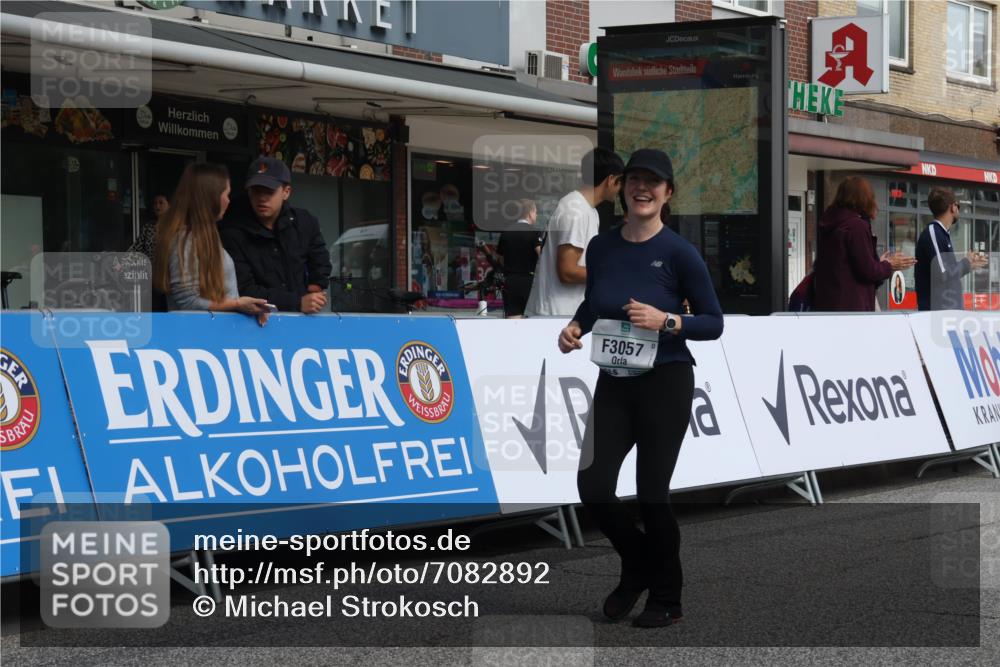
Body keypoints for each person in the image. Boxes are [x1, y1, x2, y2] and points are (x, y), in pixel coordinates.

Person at [558, 149, 723, 628]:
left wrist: (668, 320)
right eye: (635, 180)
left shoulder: (679, 253)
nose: (642, 189)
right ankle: (637, 564)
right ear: (623, 188)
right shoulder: (604, 247)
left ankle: (667, 596)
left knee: (652, 494)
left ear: (668, 193)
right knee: (592, 485)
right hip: (614, 380)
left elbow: (713, 323)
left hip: (666, 380)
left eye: (654, 182)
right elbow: (595, 302)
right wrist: (575, 327)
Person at [153, 163, 270, 326]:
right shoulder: (185, 239)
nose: (229, 201)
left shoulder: (201, 236)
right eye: (226, 194)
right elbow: (187, 302)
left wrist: (246, 309)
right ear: (211, 196)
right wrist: (237, 305)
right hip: (201, 338)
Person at [220, 157, 332, 313]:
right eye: (255, 191)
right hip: (256, 322)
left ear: (286, 192)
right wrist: (297, 303)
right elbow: (245, 289)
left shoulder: (305, 222)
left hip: (304, 320)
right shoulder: (233, 232)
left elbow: (320, 260)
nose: (261, 198)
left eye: (269, 191)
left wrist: (315, 289)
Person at [524, 147, 624, 317]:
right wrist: (611, 274)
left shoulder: (588, 210)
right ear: (610, 179)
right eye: (621, 182)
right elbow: (567, 272)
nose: (621, 188)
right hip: (555, 315)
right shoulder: (575, 210)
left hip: (567, 313)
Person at [812, 176, 916, 312]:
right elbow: (867, 271)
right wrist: (889, 265)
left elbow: (850, 267)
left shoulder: (831, 222)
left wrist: (880, 264)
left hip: (830, 305)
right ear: (865, 198)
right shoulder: (856, 226)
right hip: (853, 308)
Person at [915, 188, 988, 311]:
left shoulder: (942, 233)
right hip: (936, 314)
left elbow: (948, 274)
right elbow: (943, 274)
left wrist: (968, 266)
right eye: (958, 205)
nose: (958, 209)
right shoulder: (934, 232)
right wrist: (965, 262)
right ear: (953, 207)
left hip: (947, 312)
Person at [496, 199, 542, 318]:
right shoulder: (534, 232)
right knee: (530, 318)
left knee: (512, 317)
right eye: (536, 212)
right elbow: (541, 255)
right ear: (530, 213)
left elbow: (500, 258)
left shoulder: (506, 232)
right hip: (529, 281)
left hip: (510, 280)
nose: (536, 215)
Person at [129, 193, 170, 260]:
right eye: (155, 203)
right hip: (149, 267)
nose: (157, 206)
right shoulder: (148, 227)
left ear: (169, 205)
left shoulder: (175, 226)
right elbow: (135, 248)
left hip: (167, 267)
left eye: (161, 203)